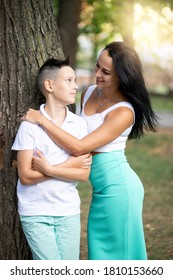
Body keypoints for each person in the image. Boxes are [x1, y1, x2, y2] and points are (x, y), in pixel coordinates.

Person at [22, 41, 158, 260]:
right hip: (99, 190)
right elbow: (70, 132)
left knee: (119, 258)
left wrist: (41, 121)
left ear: (122, 76)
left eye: (106, 72)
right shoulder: (87, 93)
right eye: (97, 66)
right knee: (99, 254)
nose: (97, 74)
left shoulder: (124, 112)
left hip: (119, 189)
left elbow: (79, 146)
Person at [11, 58, 92, 260]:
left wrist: (48, 168)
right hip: (36, 212)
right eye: (69, 80)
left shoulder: (79, 125)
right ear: (49, 85)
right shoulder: (29, 126)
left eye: (75, 80)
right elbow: (26, 176)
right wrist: (68, 165)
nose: (75, 86)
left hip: (68, 210)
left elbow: (83, 173)